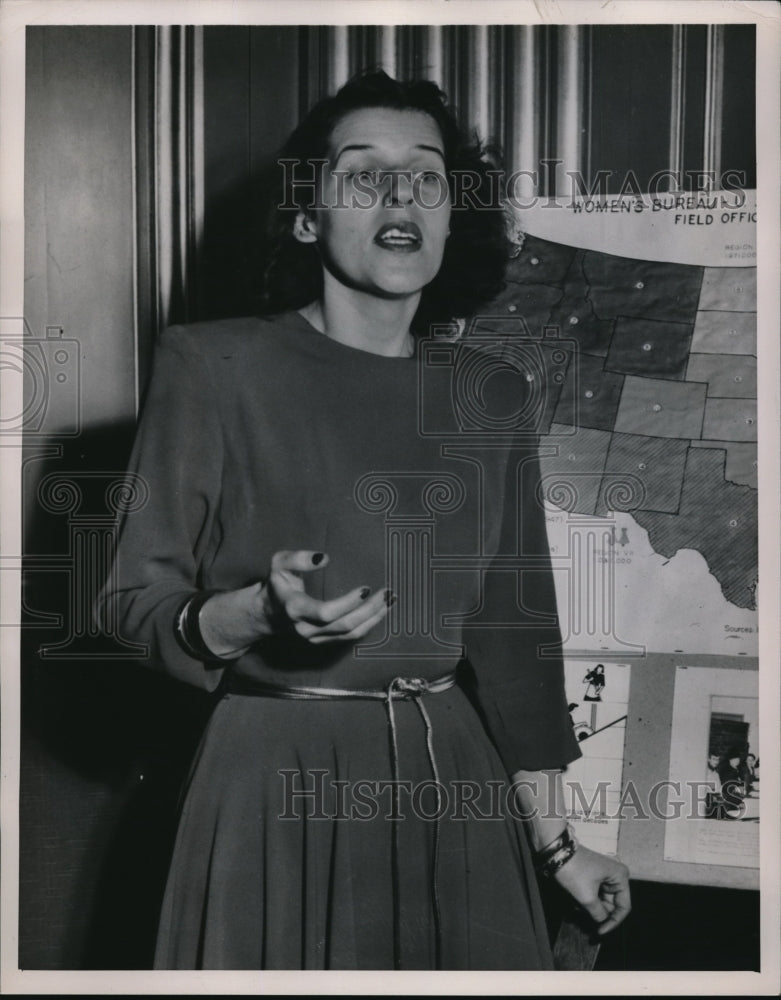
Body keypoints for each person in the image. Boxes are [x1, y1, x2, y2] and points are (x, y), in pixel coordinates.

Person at [98, 70, 630, 971]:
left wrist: (558, 848)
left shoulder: (489, 396)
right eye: (362, 173)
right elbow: (130, 602)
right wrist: (254, 615)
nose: (400, 195)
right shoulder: (213, 365)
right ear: (307, 217)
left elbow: (515, 643)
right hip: (270, 778)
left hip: (449, 776)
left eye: (426, 176)